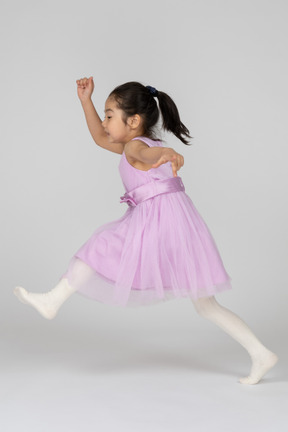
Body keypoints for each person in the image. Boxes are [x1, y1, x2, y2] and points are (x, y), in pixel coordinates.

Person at [14, 77, 278, 385]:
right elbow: (101, 137)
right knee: (206, 305)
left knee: (100, 245)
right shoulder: (142, 143)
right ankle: (261, 353)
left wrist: (164, 157)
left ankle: (52, 301)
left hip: (158, 221)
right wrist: (85, 101)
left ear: (134, 120)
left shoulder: (139, 147)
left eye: (110, 115)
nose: (104, 121)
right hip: (178, 224)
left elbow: (144, 156)